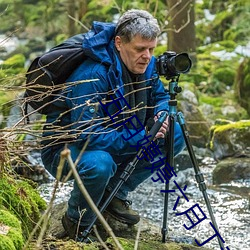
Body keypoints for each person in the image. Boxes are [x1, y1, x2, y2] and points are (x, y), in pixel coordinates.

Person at [41, 9, 185, 241]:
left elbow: (159, 96)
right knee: (100, 164)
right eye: (140, 49)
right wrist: (142, 137)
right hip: (67, 149)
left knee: (175, 133)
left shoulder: (145, 64)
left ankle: (115, 193)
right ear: (119, 43)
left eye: (151, 49)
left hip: (117, 136)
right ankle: (76, 221)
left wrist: (161, 114)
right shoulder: (92, 75)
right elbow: (87, 135)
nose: (147, 56)